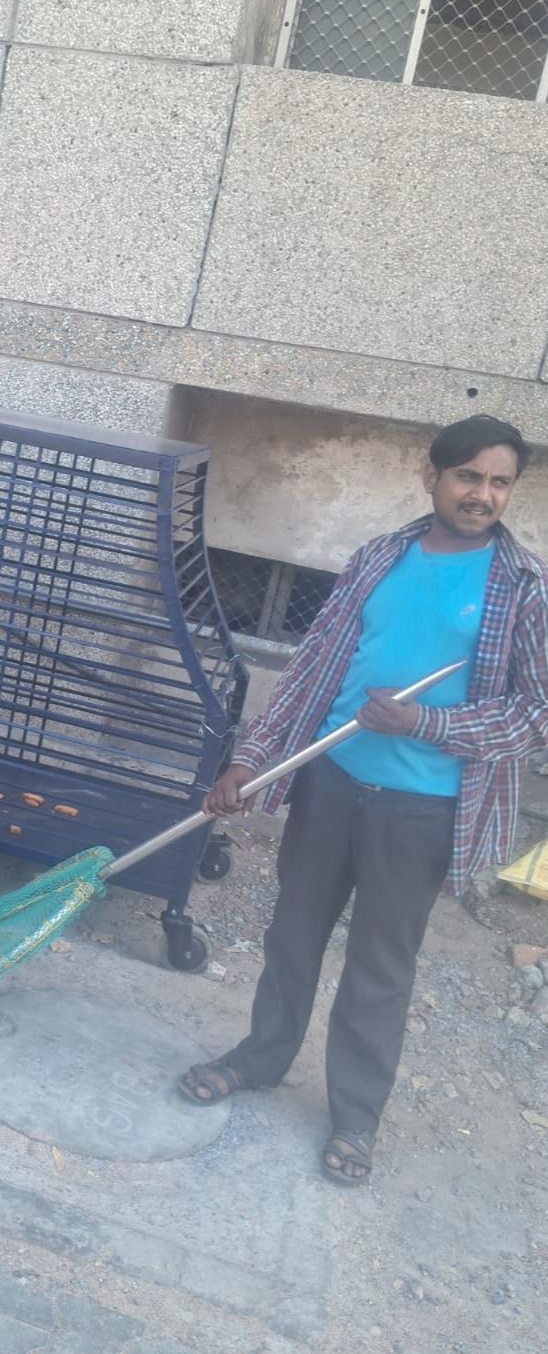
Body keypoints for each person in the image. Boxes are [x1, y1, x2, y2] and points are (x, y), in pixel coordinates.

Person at [179, 415, 548, 1185]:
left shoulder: (523, 589)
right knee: (291, 935)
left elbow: (534, 714)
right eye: (467, 476)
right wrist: (248, 759)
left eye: (498, 481)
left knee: (380, 967)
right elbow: (314, 667)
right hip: (331, 782)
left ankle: (355, 1117)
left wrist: (427, 721)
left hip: (420, 807)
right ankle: (259, 1058)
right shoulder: (380, 556)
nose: (481, 494)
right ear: (432, 476)